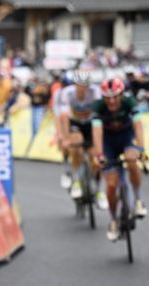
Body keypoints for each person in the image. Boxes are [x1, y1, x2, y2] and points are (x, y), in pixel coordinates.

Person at [91, 77, 147, 242]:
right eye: (107, 97)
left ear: (121, 94)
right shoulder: (98, 106)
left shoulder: (129, 102)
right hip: (108, 143)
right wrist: (100, 156)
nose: (111, 101)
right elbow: (97, 132)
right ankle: (114, 220)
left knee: (132, 159)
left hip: (125, 138)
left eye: (115, 96)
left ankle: (137, 200)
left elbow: (138, 126)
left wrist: (141, 150)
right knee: (111, 184)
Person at [54, 70, 106, 208]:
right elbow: (64, 117)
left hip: (91, 123)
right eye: (80, 85)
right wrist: (65, 138)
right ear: (75, 85)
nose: (83, 89)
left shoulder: (95, 92)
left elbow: (100, 115)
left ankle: (99, 190)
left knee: (96, 156)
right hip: (75, 122)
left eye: (85, 85)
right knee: (76, 145)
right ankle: (76, 180)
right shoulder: (67, 93)